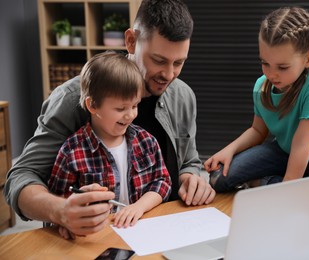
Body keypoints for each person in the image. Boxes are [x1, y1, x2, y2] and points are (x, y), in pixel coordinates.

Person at [4, 0, 215, 238]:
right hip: (92, 239)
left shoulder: (183, 96)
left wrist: (190, 178)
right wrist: (60, 211)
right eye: (158, 60)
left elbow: (189, 161)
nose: (168, 74)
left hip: (162, 229)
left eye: (179, 63)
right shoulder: (71, 99)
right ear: (131, 41)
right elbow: (20, 177)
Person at [204, 7, 309, 192]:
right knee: (218, 177)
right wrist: (230, 150)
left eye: (282, 67)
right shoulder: (262, 86)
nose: (271, 74)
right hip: (284, 153)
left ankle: (262, 184)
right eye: (264, 63)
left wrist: (286, 193)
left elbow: (302, 147)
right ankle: (272, 184)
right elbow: (257, 131)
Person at [48, 51, 172, 239]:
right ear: (93, 106)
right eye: (121, 108)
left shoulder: (146, 141)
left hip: (140, 232)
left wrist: (138, 207)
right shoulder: (72, 152)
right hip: (94, 239)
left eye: (134, 105)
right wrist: (64, 223)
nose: (130, 115)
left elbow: (163, 182)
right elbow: (58, 203)